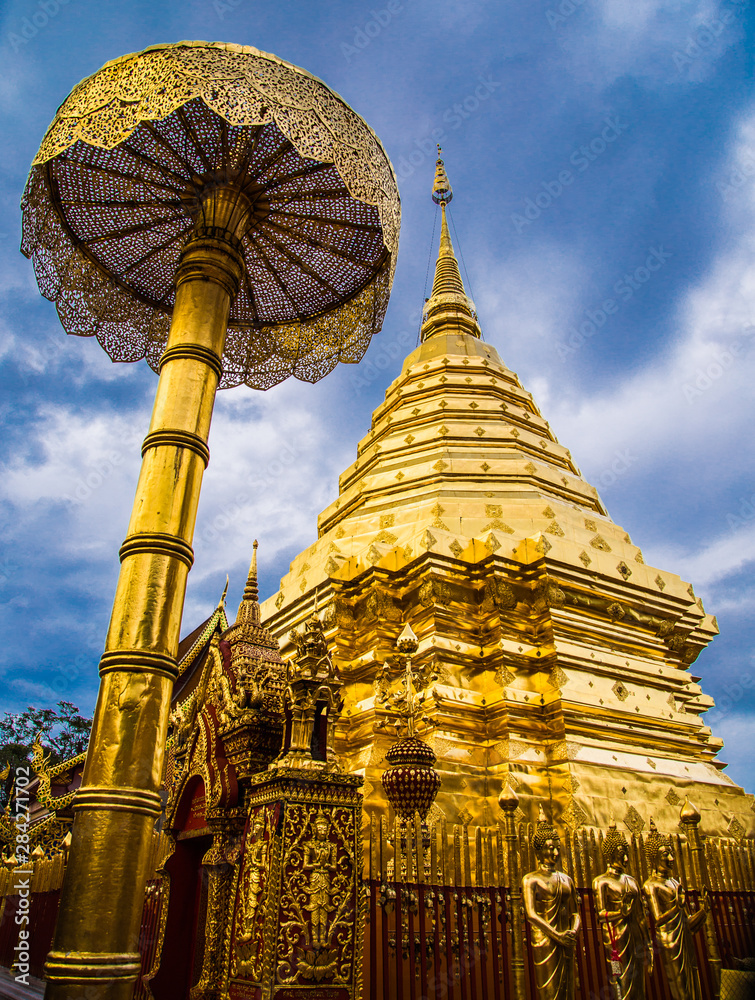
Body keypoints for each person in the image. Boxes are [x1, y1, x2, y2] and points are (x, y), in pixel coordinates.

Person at [642, 821, 708, 1000]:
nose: (671, 858)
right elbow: (658, 919)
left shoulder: (675, 883)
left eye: (671, 853)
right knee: (681, 990)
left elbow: (687, 923)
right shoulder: (650, 886)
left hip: (685, 940)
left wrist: (703, 912)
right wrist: (676, 907)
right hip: (670, 940)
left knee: (695, 984)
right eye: (665, 854)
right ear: (655, 857)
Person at [522, 809, 581, 1000]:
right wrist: (557, 935)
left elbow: (576, 913)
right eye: (549, 848)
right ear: (539, 851)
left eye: (557, 847)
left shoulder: (566, 879)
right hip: (546, 939)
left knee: (568, 989)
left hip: (567, 936)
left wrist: (573, 931)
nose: (555, 853)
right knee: (549, 991)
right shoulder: (531, 879)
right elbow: (531, 914)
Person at [593, 821, 652, 999]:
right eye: (621, 854)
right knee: (619, 981)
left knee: (638, 981)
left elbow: (641, 916)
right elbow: (601, 914)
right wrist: (621, 913)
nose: (625, 859)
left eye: (626, 854)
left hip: (634, 937)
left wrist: (648, 944)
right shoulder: (601, 882)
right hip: (615, 940)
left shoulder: (632, 881)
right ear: (610, 855)